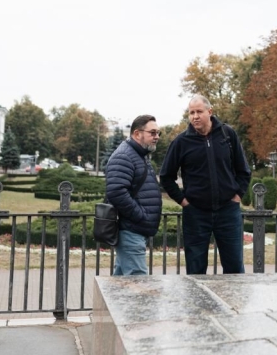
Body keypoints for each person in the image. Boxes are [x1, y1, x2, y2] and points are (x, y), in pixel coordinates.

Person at [159, 94, 251, 274]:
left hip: (228, 211)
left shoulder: (227, 134)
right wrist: (184, 201)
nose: (195, 116)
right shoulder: (181, 141)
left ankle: (233, 302)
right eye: (191, 112)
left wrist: (237, 195)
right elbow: (166, 176)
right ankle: (197, 303)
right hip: (196, 213)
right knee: (195, 269)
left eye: (199, 111)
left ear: (210, 112)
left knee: (234, 268)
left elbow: (243, 171)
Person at [105, 114, 163, 276]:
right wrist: (141, 216)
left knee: (121, 285)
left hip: (135, 230)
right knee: (138, 285)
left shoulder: (138, 155)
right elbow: (116, 192)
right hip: (131, 231)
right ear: (137, 134)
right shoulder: (125, 155)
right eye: (152, 133)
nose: (157, 137)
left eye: (158, 133)